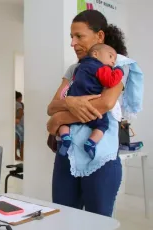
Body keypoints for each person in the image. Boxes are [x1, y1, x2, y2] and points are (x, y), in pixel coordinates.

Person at [47, 10, 137, 217]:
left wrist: (61, 117)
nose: (73, 43)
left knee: (97, 223)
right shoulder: (73, 69)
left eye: (79, 36)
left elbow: (104, 103)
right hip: (67, 158)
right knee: (64, 221)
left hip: (101, 160)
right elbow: (51, 107)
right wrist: (69, 101)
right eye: (71, 37)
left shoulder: (117, 65)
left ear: (99, 36)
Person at [58, 44, 124, 159]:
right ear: (95, 54)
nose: (113, 61)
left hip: (73, 105)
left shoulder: (79, 67)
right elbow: (110, 81)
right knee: (103, 124)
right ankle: (90, 143)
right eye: (110, 56)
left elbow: (71, 83)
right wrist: (119, 70)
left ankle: (65, 138)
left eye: (114, 59)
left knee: (63, 123)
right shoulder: (100, 67)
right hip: (90, 106)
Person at [15, 91, 24, 161]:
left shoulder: (12, 103)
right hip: (20, 124)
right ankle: (22, 156)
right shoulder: (18, 104)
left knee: (16, 140)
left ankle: (15, 156)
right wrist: (17, 119)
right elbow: (20, 112)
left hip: (15, 125)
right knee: (23, 140)